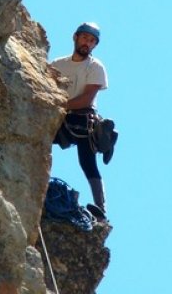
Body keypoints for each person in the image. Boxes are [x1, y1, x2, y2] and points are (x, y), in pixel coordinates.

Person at [51, 22, 112, 220]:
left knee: (87, 162)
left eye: (92, 41)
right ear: (75, 37)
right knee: (39, 142)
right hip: (62, 115)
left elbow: (86, 98)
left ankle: (101, 209)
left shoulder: (95, 67)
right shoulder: (57, 65)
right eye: (85, 38)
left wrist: (60, 104)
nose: (88, 43)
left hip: (83, 118)